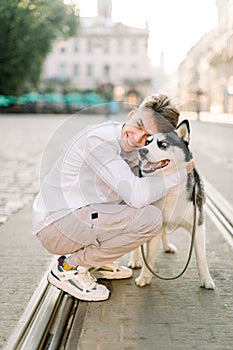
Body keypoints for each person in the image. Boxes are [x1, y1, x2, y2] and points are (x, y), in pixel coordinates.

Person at [33, 93, 192, 301]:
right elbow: (136, 195)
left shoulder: (137, 151)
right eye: (139, 125)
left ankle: (95, 262)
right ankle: (70, 267)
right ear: (132, 114)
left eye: (148, 137)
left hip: (79, 219)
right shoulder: (99, 140)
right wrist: (181, 173)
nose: (137, 138)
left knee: (139, 209)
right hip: (56, 227)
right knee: (150, 218)